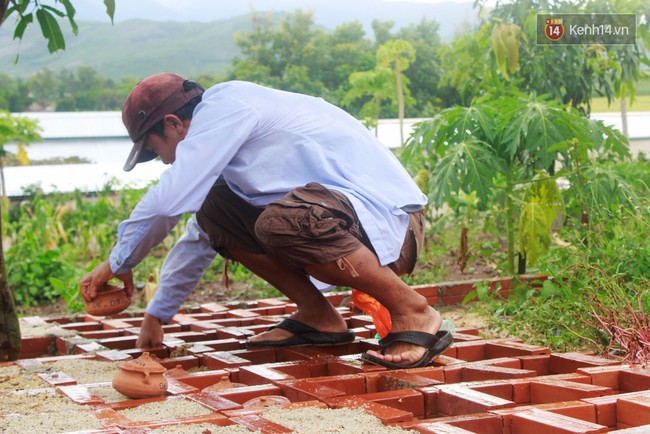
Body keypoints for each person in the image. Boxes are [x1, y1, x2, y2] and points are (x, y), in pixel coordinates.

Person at [79, 73, 452, 369]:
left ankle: (412, 310)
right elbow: (200, 234)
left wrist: (116, 263)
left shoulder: (227, 111)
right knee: (214, 210)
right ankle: (319, 317)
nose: (164, 161)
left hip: (394, 225)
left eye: (155, 150)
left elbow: (165, 205)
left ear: (175, 124)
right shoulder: (226, 135)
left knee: (279, 222)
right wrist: (157, 314)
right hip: (348, 219)